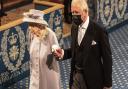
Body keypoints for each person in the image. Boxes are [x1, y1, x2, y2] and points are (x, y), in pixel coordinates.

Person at [53, 0, 112, 89]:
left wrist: (108, 84)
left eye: (76, 12)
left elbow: (107, 59)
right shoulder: (74, 27)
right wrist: (63, 53)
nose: (74, 15)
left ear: (85, 12)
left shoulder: (99, 30)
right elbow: (76, 50)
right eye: (72, 12)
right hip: (76, 76)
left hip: (93, 80)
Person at [23, 9, 61, 89]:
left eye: (32, 25)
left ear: (39, 25)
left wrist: (54, 55)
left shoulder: (50, 35)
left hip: (48, 74)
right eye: (30, 25)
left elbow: (58, 55)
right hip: (35, 75)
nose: (30, 28)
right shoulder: (32, 35)